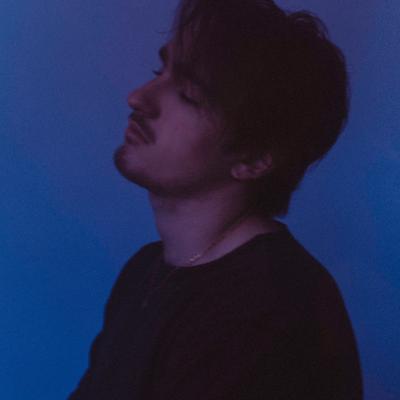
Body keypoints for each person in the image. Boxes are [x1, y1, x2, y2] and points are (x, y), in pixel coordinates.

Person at [68, 0, 363, 398]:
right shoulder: (145, 273)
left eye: (188, 94)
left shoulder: (274, 309)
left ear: (253, 159)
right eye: (159, 72)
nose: (138, 97)